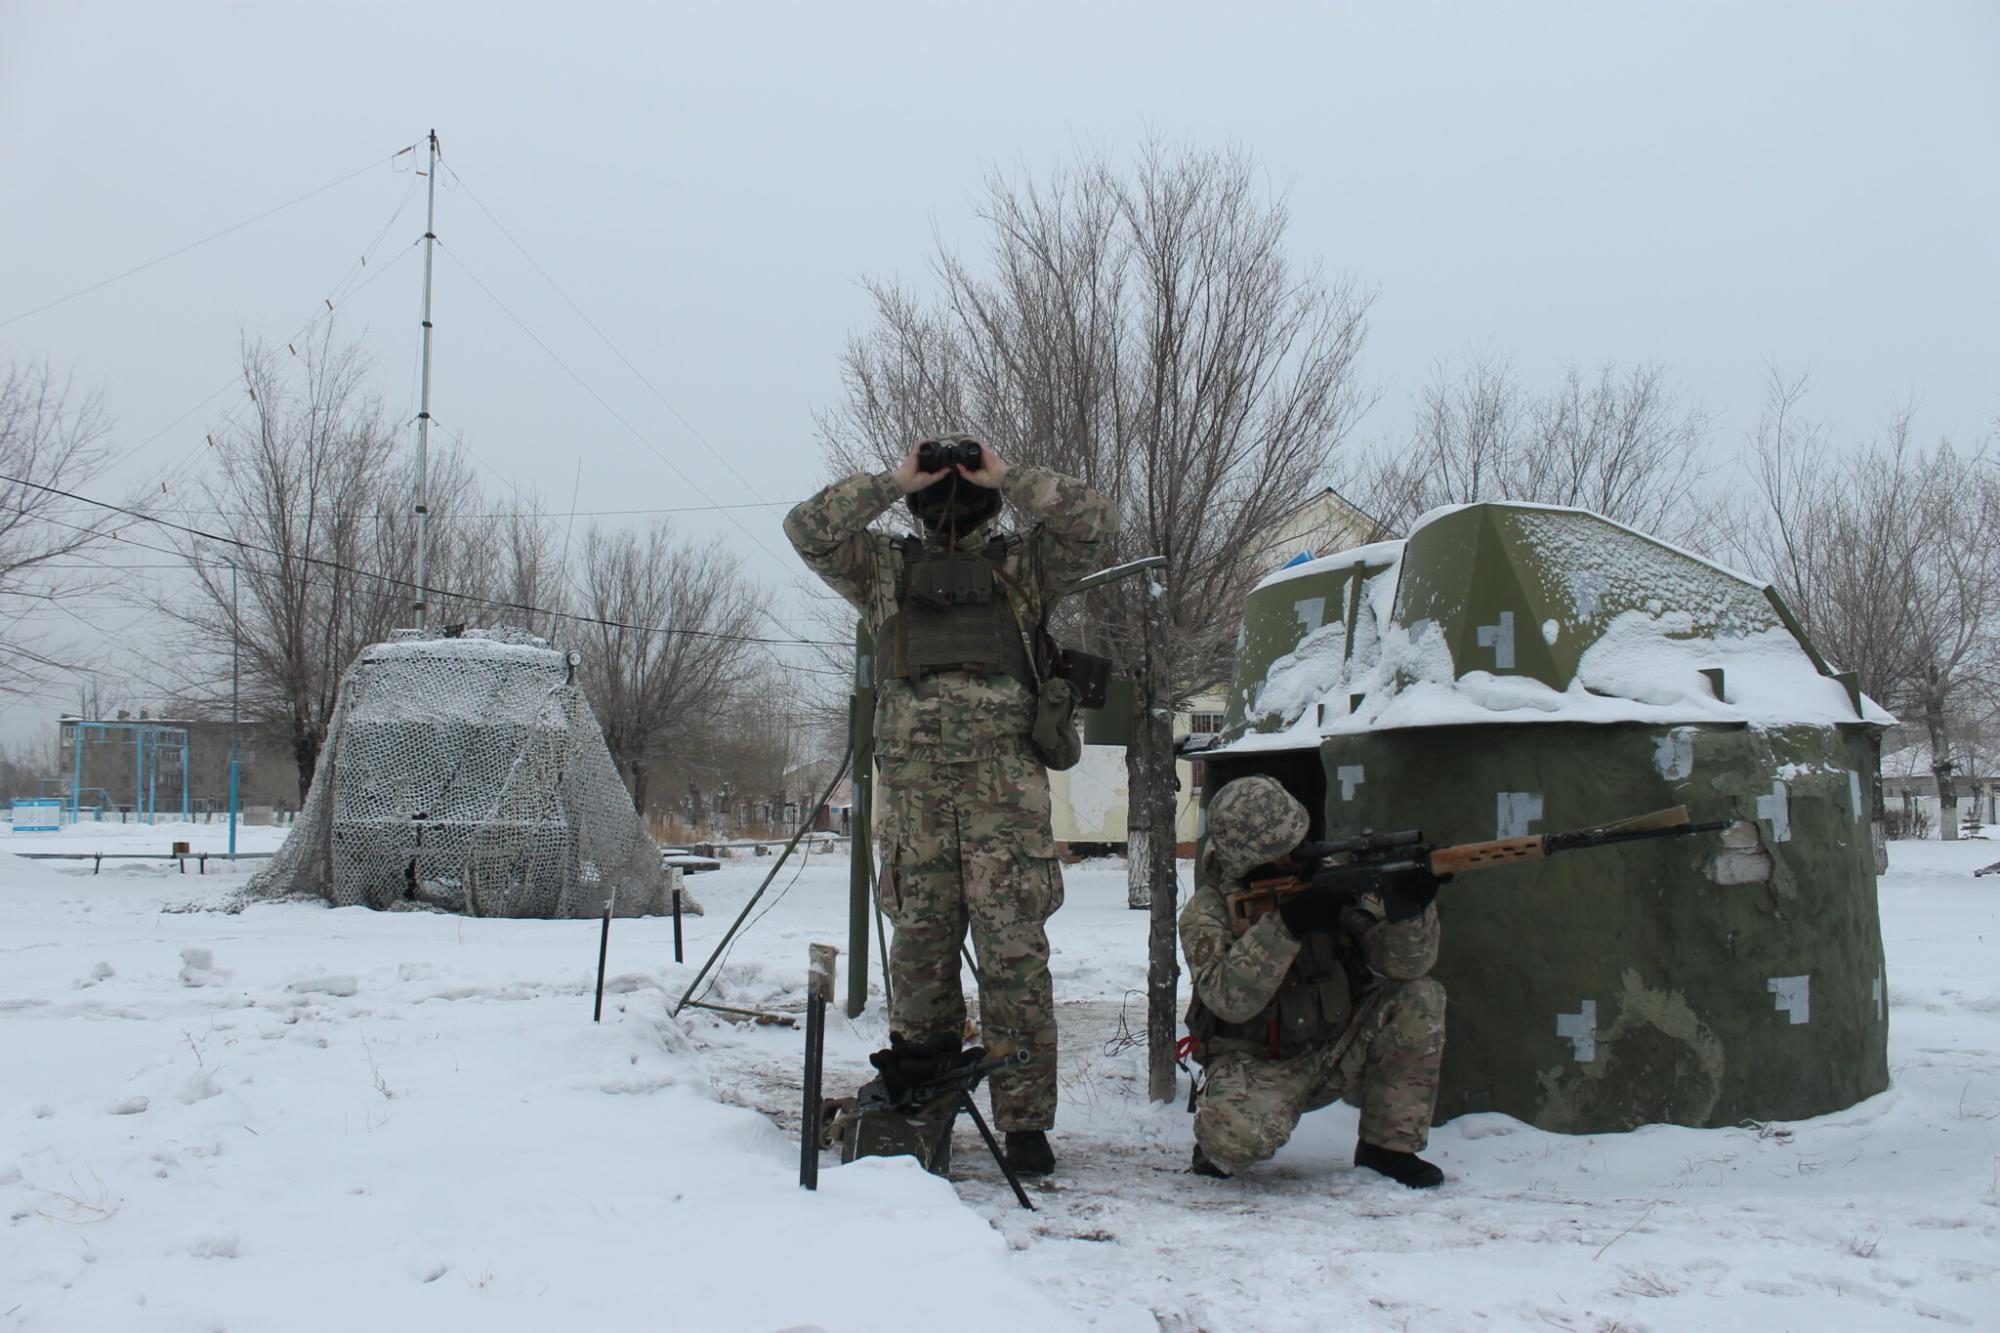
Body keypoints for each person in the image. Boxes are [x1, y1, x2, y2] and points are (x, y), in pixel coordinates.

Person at [785, 435, 1116, 1176]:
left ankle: (1026, 1124)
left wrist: (1007, 473)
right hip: (918, 812)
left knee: (1016, 966)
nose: (951, 505)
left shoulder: (1023, 568)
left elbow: (1094, 522)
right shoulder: (881, 570)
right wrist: (897, 478)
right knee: (922, 965)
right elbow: (808, 527)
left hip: (1004, 814)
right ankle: (920, 1111)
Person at [1179, 774, 1450, 1188]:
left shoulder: (1325, 883)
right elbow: (1226, 998)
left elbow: (1405, 966)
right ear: (1249, 860)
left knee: (1419, 998)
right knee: (1234, 1144)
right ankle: (1215, 1134)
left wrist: (1410, 908)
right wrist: (1287, 925)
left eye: (1297, 846)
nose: (1296, 858)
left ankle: (1387, 1147)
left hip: (1334, 1049)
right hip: (1255, 1065)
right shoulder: (1208, 911)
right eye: (1282, 854)